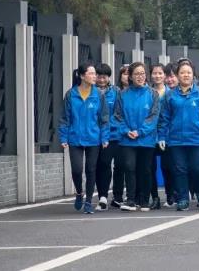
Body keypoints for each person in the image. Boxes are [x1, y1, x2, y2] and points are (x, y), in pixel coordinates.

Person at [157, 59, 199, 211]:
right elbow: (164, 118)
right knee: (180, 170)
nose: (186, 75)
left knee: (197, 169)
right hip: (176, 140)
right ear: (177, 75)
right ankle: (183, 198)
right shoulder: (170, 95)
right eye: (182, 72)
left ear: (193, 75)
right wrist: (162, 136)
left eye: (189, 72)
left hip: (197, 139)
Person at [59, 61, 109, 214]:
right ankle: (79, 192)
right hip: (75, 138)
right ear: (82, 76)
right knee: (77, 169)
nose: (95, 76)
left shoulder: (98, 94)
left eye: (95, 73)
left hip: (94, 138)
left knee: (90, 170)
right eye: (91, 73)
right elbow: (64, 118)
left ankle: (88, 201)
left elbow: (104, 118)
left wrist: (105, 138)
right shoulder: (71, 94)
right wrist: (63, 137)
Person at [115, 62, 160, 211]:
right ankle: (131, 200)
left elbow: (154, 116)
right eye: (136, 74)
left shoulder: (153, 94)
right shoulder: (122, 94)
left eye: (142, 73)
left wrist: (140, 131)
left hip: (146, 139)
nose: (140, 77)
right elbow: (118, 115)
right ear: (130, 77)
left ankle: (145, 200)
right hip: (127, 139)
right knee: (129, 167)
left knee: (145, 169)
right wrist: (126, 130)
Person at [94, 63, 122, 210]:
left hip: (112, 135)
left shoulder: (116, 92)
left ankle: (108, 196)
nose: (101, 80)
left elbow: (118, 113)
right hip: (94, 135)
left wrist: (106, 126)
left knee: (106, 163)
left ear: (109, 77)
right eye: (99, 76)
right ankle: (102, 196)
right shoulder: (91, 92)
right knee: (97, 165)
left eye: (104, 77)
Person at [149, 63, 174, 208]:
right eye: (154, 73)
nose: (157, 76)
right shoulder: (148, 93)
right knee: (150, 167)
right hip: (150, 135)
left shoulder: (171, 93)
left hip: (167, 135)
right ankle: (155, 198)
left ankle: (170, 196)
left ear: (165, 76)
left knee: (167, 167)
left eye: (160, 73)